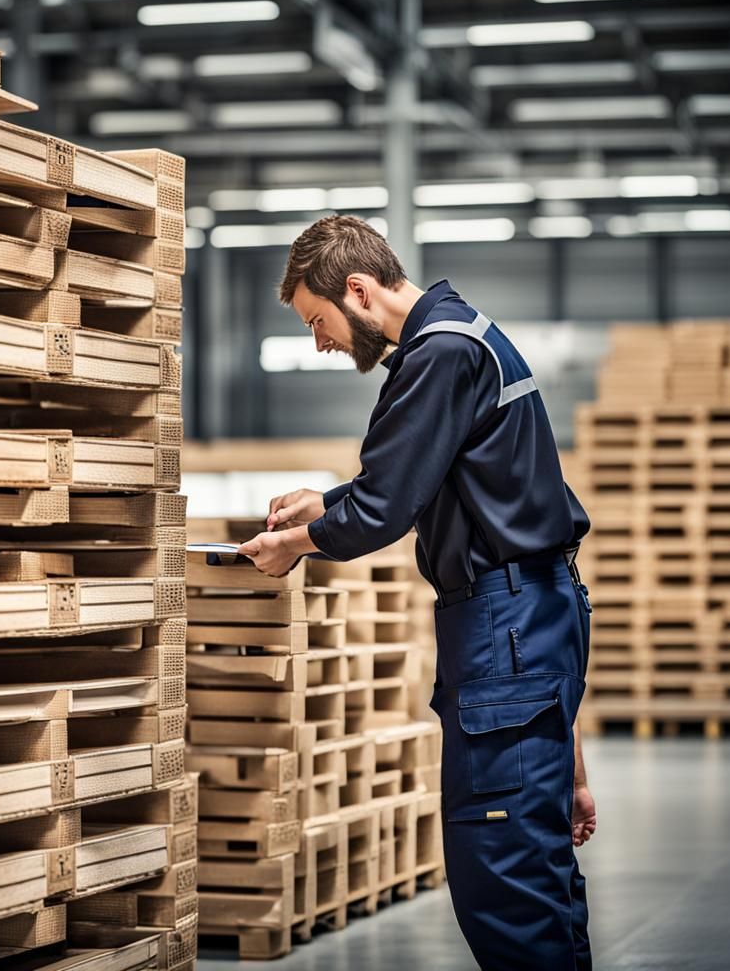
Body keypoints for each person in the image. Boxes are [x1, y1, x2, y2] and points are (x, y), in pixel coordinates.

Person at [237, 214, 596, 970]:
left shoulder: (438, 355)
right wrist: (325, 505)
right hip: (528, 618)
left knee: (503, 874)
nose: (322, 342)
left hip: (505, 628)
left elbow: (383, 510)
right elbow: (428, 479)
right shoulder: (466, 334)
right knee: (531, 870)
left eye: (318, 320)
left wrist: (294, 544)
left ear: (359, 291)